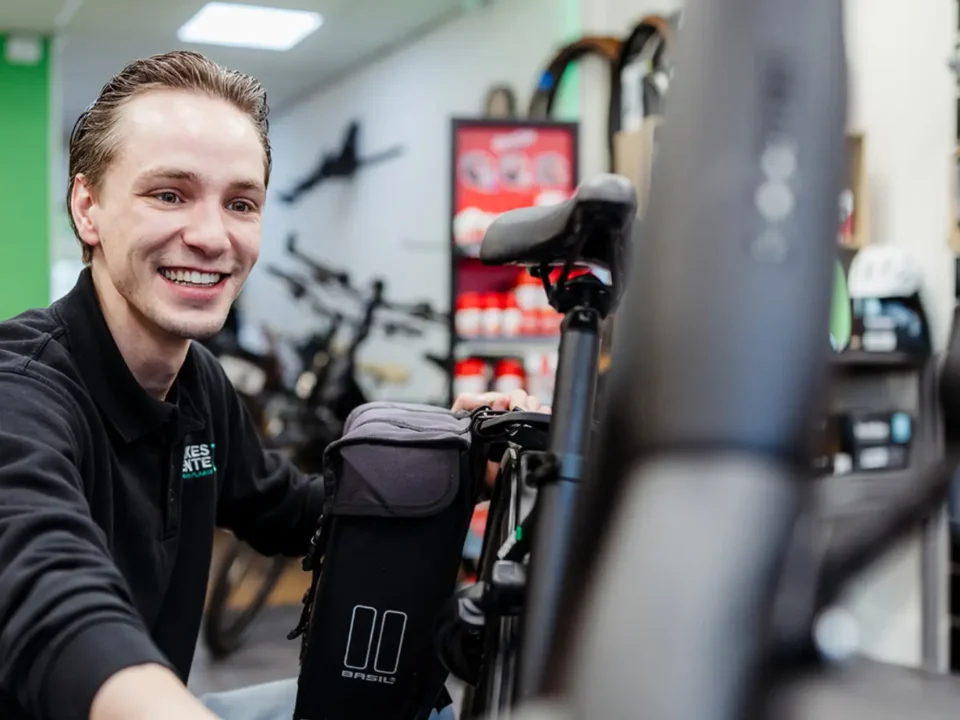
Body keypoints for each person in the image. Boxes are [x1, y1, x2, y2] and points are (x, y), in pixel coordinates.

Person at [0, 50, 545, 720]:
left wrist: (457, 462)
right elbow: (46, 591)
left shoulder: (197, 384)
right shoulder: (21, 390)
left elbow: (294, 512)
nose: (211, 236)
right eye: (168, 194)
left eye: (240, 203)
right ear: (88, 208)